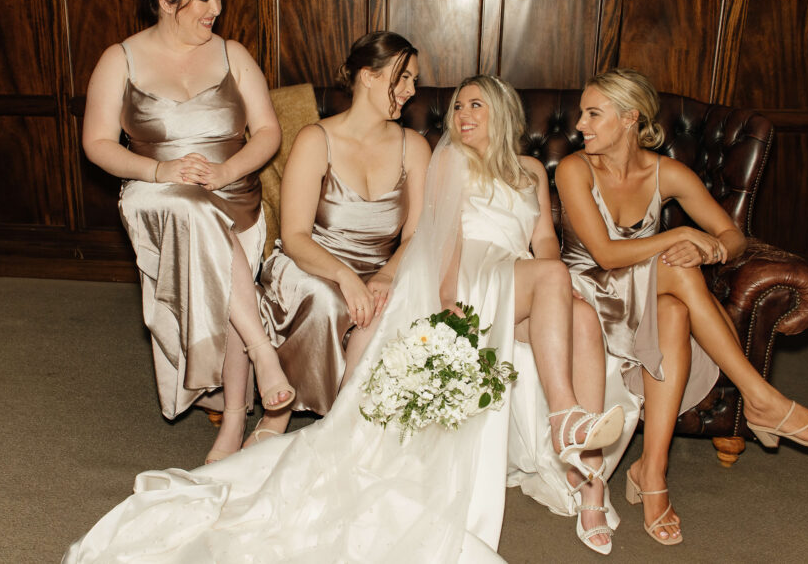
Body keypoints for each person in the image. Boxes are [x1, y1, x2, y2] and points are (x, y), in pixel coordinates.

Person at [63, 74, 624, 563]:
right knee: (554, 283)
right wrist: (449, 297)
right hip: (471, 279)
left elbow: (545, 243)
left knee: (580, 316)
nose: (462, 115)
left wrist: (560, 286)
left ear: (502, 112)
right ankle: (563, 420)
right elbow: (436, 238)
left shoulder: (530, 171)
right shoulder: (449, 159)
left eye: (475, 105)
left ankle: (588, 477)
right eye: (457, 106)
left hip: (520, 279)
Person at [555, 68, 808, 546]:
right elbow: (607, 256)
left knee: (675, 306)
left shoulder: (666, 173)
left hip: (645, 298)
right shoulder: (575, 169)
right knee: (677, 267)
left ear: (630, 118)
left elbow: (734, 236)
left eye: (594, 113)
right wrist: (682, 237)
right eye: (581, 114)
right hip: (586, 295)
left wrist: (710, 249)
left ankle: (651, 474)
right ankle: (761, 399)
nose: (580, 125)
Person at [81, 0, 293, 465]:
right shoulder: (120, 59)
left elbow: (268, 132)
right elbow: (98, 144)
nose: (214, 9)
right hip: (157, 196)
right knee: (195, 211)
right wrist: (161, 171)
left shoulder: (233, 54)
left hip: (233, 192)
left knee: (221, 250)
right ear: (164, 1)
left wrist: (226, 171)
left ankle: (234, 419)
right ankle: (264, 357)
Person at [251, 31, 431, 443]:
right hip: (311, 261)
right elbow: (294, 236)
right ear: (367, 76)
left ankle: (349, 425)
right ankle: (278, 415)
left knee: (395, 307)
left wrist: (386, 275)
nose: (411, 90)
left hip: (384, 266)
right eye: (402, 78)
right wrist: (345, 277)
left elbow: (417, 233)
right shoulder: (317, 140)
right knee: (329, 302)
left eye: (414, 81)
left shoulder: (414, 147)